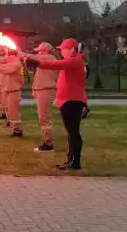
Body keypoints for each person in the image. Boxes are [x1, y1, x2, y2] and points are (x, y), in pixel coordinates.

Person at [25, 38, 88, 171]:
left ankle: (74, 162)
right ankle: (72, 161)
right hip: (70, 100)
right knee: (72, 132)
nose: (61, 51)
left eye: (63, 49)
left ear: (71, 49)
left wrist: (36, 63)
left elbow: (54, 65)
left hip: (71, 101)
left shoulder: (74, 60)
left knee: (73, 133)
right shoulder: (76, 60)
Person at [25, 42, 58, 152]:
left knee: (44, 117)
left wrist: (19, 52)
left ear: (45, 51)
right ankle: (47, 141)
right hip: (42, 90)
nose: (38, 52)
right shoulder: (43, 60)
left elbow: (32, 57)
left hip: (47, 90)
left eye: (40, 50)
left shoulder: (50, 58)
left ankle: (48, 144)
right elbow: (38, 77)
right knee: (42, 116)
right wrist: (34, 89)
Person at [0, 48, 24, 137]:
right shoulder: (10, 62)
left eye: (10, 54)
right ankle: (15, 128)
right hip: (7, 88)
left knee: (14, 112)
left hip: (14, 89)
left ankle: (18, 131)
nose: (8, 56)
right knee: (9, 109)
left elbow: (7, 69)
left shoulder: (16, 63)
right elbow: (1, 63)